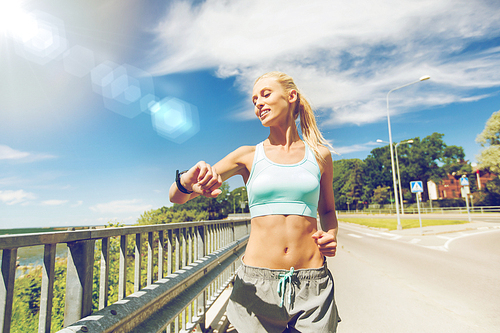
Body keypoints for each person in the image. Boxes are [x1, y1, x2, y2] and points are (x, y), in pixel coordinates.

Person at [169, 72, 340, 332]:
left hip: (313, 284)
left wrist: (331, 235)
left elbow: (327, 209)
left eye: (266, 94)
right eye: (254, 100)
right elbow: (178, 197)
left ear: (291, 96)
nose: (258, 103)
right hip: (256, 287)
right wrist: (185, 182)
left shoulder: (320, 156)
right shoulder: (247, 156)